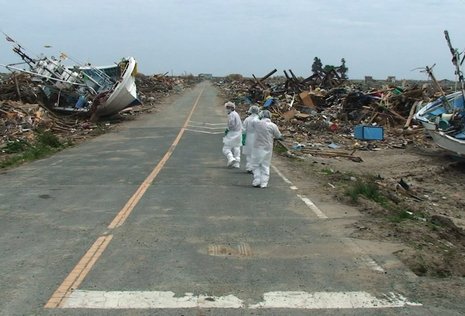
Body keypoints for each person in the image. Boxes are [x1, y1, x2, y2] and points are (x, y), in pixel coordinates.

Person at [250, 110, 282, 188]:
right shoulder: (273, 125)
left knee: (255, 164)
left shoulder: (257, 123)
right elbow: (278, 136)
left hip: (257, 147)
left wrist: (258, 115)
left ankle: (257, 180)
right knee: (265, 165)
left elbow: (253, 120)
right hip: (267, 148)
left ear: (261, 116)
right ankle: (264, 183)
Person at [222, 101, 242, 168]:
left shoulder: (231, 115)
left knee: (226, 148)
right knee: (237, 148)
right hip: (238, 133)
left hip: (232, 133)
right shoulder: (236, 114)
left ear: (229, 108)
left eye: (227, 108)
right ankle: (237, 163)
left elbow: (231, 124)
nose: (226, 109)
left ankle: (231, 158)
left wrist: (228, 129)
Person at [242, 105, 260, 173]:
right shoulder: (259, 119)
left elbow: (243, 129)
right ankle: (254, 167)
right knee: (256, 154)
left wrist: (243, 138)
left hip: (248, 137)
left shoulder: (247, 119)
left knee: (249, 154)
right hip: (257, 137)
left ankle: (249, 167)